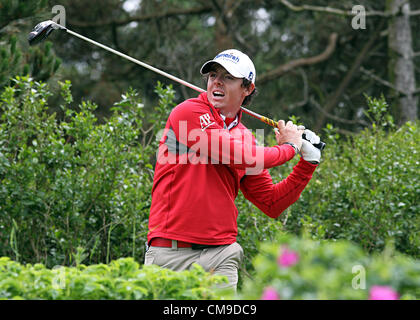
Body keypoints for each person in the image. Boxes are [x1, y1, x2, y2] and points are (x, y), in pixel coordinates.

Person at [144, 49, 322, 290]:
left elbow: (271, 203)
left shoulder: (245, 137)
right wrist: (291, 147)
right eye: (213, 75)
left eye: (228, 77)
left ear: (247, 88)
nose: (216, 81)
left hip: (221, 255)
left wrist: (307, 164)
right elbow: (242, 156)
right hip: (170, 253)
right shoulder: (188, 113)